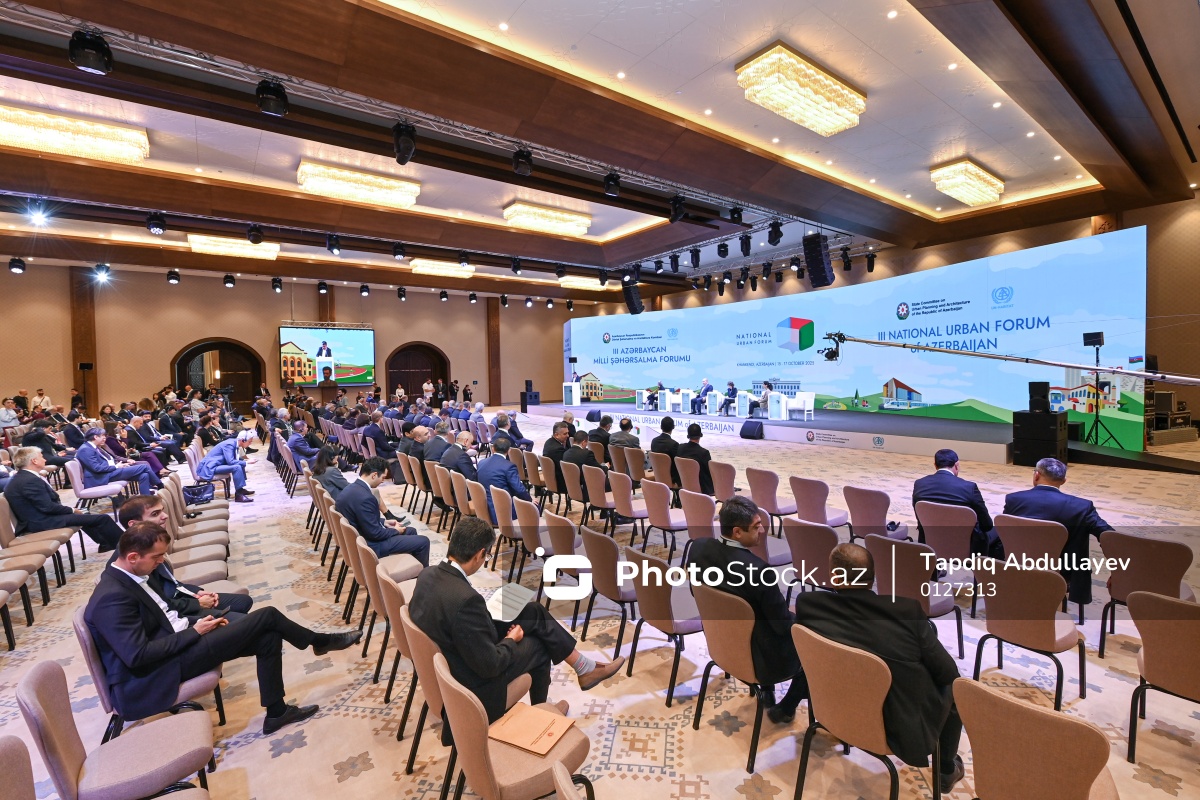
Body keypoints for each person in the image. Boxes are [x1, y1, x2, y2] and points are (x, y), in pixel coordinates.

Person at [86, 522, 361, 734]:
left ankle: (276, 713)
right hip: (158, 671)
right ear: (133, 557)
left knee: (268, 636)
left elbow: (167, 612)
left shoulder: (134, 575)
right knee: (267, 616)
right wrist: (196, 631)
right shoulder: (112, 597)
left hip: (181, 639)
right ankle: (318, 641)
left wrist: (196, 620)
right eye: (156, 558)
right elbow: (138, 655)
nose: (161, 563)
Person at [408, 517, 624, 741]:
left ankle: (583, 667)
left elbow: (464, 625)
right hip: (473, 684)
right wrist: (511, 640)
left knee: (533, 612)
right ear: (479, 554)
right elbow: (491, 665)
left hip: (459, 650)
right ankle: (542, 716)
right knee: (539, 647)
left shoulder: (428, 574)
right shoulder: (466, 600)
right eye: (487, 556)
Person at [794, 543, 964, 790]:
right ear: (873, 578)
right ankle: (946, 769)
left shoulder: (809, 604)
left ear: (834, 577)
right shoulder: (905, 611)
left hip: (835, 708)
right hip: (898, 727)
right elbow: (948, 673)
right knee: (958, 687)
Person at [688, 496, 808, 723]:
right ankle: (786, 708)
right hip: (762, 659)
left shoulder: (698, 547)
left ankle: (767, 691)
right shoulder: (759, 571)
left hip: (721, 643)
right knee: (817, 639)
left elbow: (697, 594)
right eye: (756, 526)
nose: (762, 530)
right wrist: (805, 621)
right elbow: (782, 627)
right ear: (737, 532)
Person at [117, 495, 254, 622]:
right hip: (175, 614)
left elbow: (170, 582)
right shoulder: (133, 558)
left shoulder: (149, 542)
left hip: (180, 599)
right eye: (155, 514)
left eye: (162, 511)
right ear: (133, 524)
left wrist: (197, 592)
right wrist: (197, 603)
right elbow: (158, 603)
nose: (165, 516)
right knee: (248, 621)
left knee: (243, 602)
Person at [1002, 457, 1113, 610]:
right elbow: (1109, 536)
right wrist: (1118, 571)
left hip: (1017, 563)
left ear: (1036, 475)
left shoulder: (1014, 500)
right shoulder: (1081, 507)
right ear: (1063, 481)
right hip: (1063, 572)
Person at [4, 447, 123, 550]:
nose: (45, 459)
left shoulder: (24, 477)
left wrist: (72, 511)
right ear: (34, 461)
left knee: (83, 513)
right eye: (42, 457)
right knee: (103, 518)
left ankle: (105, 544)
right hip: (40, 522)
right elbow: (47, 507)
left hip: (39, 517)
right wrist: (71, 510)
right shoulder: (29, 480)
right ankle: (125, 546)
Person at [336, 457, 430, 565]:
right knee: (423, 541)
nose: (383, 481)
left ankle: (410, 566)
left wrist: (384, 522)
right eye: (383, 477)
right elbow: (375, 534)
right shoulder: (365, 497)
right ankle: (422, 574)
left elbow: (362, 518)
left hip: (361, 537)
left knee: (411, 531)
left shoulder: (351, 489)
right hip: (371, 545)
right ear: (374, 475)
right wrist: (396, 531)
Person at [912, 449, 1000, 557]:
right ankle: (984, 567)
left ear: (935, 465)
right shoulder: (969, 487)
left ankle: (932, 567)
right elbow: (987, 525)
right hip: (968, 546)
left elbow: (919, 519)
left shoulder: (919, 484)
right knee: (999, 531)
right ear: (957, 465)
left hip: (930, 541)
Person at [77, 427, 160, 495]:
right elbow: (97, 468)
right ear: (95, 437)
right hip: (101, 477)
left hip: (108, 472)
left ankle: (146, 499)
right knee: (144, 467)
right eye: (103, 436)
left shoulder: (94, 447)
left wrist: (120, 465)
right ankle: (160, 485)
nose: (105, 439)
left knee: (144, 475)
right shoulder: (86, 449)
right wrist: (116, 466)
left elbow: (108, 460)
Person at [476, 437, 530, 523]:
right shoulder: (509, 466)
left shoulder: (481, 463)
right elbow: (519, 489)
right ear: (509, 451)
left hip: (483, 508)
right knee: (535, 507)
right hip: (503, 511)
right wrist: (530, 500)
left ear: (493, 449)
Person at [197, 437, 254, 503]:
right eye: (249, 441)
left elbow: (234, 458)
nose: (250, 443)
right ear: (242, 440)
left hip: (216, 464)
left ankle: (240, 489)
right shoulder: (229, 444)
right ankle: (239, 495)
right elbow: (230, 461)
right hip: (210, 467)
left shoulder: (234, 443)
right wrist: (247, 462)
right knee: (237, 467)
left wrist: (245, 461)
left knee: (240, 463)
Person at [563, 430, 609, 503]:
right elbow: (599, 470)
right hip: (586, 489)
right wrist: (606, 466)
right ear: (584, 442)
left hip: (572, 488)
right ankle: (606, 507)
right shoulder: (587, 454)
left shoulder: (566, 453)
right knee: (614, 482)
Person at [677, 423, 714, 495]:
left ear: (688, 435)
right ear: (700, 436)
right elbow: (709, 472)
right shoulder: (704, 453)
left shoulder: (680, 448)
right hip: (702, 487)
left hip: (684, 483)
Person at [541, 421, 571, 492]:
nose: (568, 436)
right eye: (565, 434)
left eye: (568, 433)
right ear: (556, 435)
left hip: (550, 478)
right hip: (559, 482)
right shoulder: (557, 449)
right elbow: (566, 466)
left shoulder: (548, 442)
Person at [650, 416, 680, 485]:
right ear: (673, 427)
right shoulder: (674, 444)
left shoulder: (654, 441)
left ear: (661, 427)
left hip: (657, 475)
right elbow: (676, 464)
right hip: (671, 478)